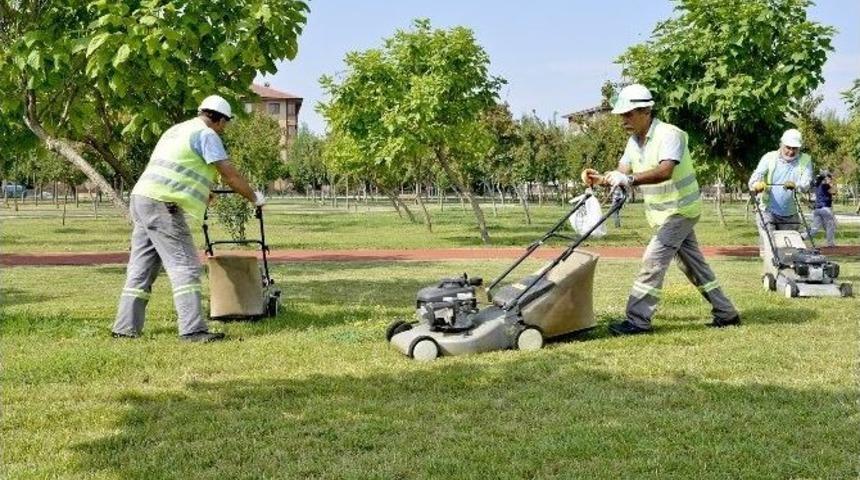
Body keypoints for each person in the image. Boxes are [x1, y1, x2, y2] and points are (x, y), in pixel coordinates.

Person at [582, 84, 739, 335]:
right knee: (694, 267)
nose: (623, 120)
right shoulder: (633, 142)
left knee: (652, 261)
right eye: (622, 115)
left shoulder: (670, 134)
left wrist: (630, 180)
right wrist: (601, 178)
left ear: (646, 111)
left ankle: (638, 320)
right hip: (661, 215)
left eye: (628, 114)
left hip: (681, 210)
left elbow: (665, 171)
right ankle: (726, 313)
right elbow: (622, 172)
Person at [112, 95, 265, 342]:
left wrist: (202, 193)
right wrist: (254, 197)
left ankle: (125, 328)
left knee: (141, 268)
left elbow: (176, 169)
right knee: (186, 266)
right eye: (225, 123)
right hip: (162, 204)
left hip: (141, 198)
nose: (224, 129)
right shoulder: (207, 135)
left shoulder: (177, 130)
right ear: (219, 119)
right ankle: (193, 330)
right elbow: (230, 176)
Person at [747, 128, 814, 256]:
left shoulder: (805, 160)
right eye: (788, 147)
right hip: (768, 210)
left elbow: (806, 183)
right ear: (781, 144)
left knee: (790, 251)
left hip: (791, 212)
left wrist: (796, 185)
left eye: (794, 148)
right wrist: (757, 185)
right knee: (770, 250)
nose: (791, 151)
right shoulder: (769, 157)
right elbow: (754, 180)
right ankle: (770, 274)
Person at [805, 171, 837, 247]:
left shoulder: (817, 186)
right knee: (830, 226)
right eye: (829, 178)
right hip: (825, 208)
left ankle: (803, 236)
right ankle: (830, 243)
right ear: (825, 178)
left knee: (815, 227)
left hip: (817, 209)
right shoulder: (825, 186)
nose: (830, 179)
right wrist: (831, 183)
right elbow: (834, 192)